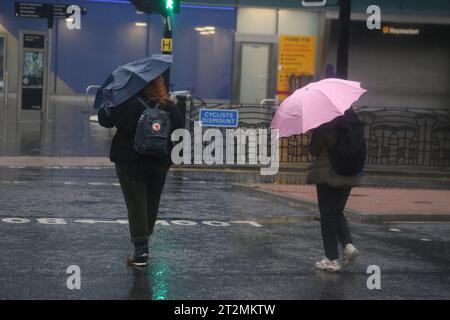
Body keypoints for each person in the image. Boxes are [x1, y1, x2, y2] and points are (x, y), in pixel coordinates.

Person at [98, 75, 184, 267]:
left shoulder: (126, 103)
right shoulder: (168, 106)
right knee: (152, 201)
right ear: (159, 84)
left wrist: (109, 101)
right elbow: (180, 128)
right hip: (159, 162)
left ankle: (140, 250)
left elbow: (105, 120)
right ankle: (144, 239)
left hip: (130, 161)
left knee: (136, 201)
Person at [307, 108, 362, 272]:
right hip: (349, 174)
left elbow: (314, 149)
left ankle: (331, 258)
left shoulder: (325, 122)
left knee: (327, 215)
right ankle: (348, 245)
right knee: (336, 211)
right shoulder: (355, 122)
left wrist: (313, 133)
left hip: (327, 175)